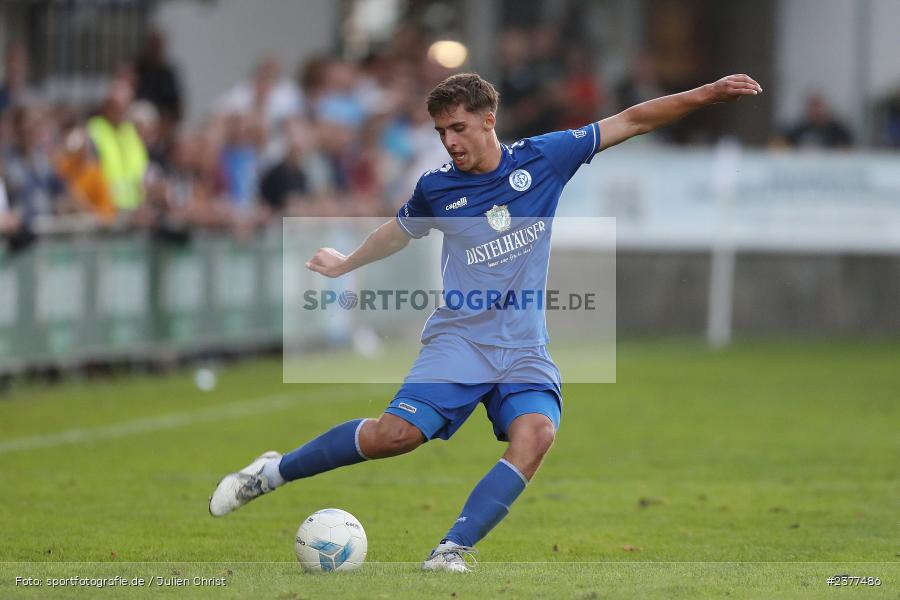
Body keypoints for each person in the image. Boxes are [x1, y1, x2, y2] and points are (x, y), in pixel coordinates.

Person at [209, 71, 762, 571]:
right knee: (393, 436)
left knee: (537, 434)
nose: (449, 142)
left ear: (487, 121)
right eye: (441, 132)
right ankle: (273, 472)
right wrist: (347, 263)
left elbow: (634, 119)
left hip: (522, 347)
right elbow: (398, 232)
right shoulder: (437, 188)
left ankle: (451, 550)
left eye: (458, 128)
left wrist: (706, 94)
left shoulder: (546, 159)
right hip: (460, 342)